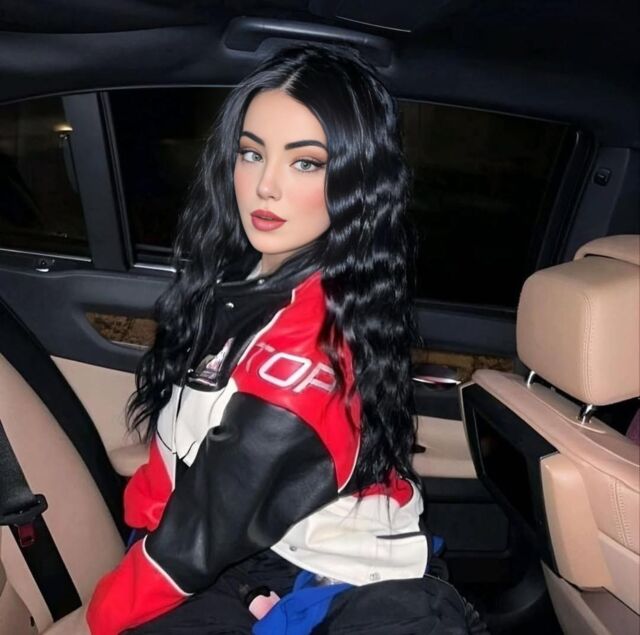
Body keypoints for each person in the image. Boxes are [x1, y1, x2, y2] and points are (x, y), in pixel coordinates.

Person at [87, 44, 483, 635]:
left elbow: (193, 545)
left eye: (306, 163)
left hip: (310, 575)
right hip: (250, 549)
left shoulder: (302, 354)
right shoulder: (264, 280)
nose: (265, 186)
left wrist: (97, 616)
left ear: (355, 181)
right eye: (252, 153)